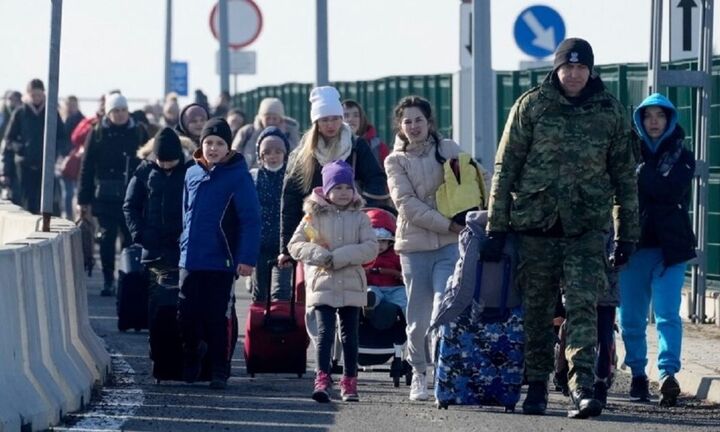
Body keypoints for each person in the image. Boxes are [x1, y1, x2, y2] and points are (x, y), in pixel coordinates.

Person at [484, 38, 639, 418]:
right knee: (537, 311)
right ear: (556, 69)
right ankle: (535, 386)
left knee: (584, 307)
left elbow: (624, 177)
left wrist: (627, 234)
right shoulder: (531, 105)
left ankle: (583, 387)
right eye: (567, 68)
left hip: (586, 228)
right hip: (536, 226)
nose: (574, 75)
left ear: (591, 70)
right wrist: (496, 227)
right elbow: (506, 168)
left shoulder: (610, 112)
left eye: (581, 68)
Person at [384, 95, 466, 401]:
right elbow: (407, 205)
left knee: (444, 308)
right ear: (400, 126)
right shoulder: (395, 161)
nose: (414, 126)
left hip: (449, 245)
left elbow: (477, 180)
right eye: (407, 121)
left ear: (429, 122)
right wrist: (448, 224)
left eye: (419, 120)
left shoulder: (449, 149)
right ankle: (418, 372)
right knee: (417, 318)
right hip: (414, 247)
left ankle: (445, 374)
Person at [618, 93, 696, 408]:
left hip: (670, 249)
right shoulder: (624, 154)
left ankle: (667, 375)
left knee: (667, 314)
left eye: (660, 116)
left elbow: (670, 190)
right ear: (639, 120)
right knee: (632, 318)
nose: (653, 122)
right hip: (632, 247)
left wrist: (640, 176)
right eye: (647, 116)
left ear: (669, 120)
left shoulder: (683, 155)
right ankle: (638, 373)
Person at [178, 118, 261, 390]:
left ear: (228, 147)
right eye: (208, 143)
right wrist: (182, 245)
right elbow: (186, 213)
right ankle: (192, 353)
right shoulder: (191, 173)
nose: (213, 148)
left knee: (217, 317)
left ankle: (219, 368)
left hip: (221, 259)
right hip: (190, 258)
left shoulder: (238, 175)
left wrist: (247, 258)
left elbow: (251, 219)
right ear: (201, 145)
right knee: (186, 314)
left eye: (219, 143)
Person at [288, 160, 378, 403]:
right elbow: (295, 244)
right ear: (326, 190)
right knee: (325, 333)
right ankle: (322, 378)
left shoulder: (360, 218)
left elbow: (371, 247)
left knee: (350, 334)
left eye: (347, 188)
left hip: (350, 282)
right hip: (322, 282)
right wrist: (318, 255)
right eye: (337, 188)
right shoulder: (312, 217)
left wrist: (340, 257)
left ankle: (349, 380)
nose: (343, 193)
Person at [278, 86, 389, 268]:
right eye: (324, 120)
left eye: (335, 119)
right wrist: (286, 248)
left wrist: (362, 212)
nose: (330, 125)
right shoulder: (304, 155)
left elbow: (376, 180)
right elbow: (290, 200)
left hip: (350, 232)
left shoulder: (356, 146)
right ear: (316, 123)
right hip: (316, 235)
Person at [77, 92, 148, 296]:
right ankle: (109, 279)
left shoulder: (138, 131)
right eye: (115, 111)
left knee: (130, 239)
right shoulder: (98, 132)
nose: (120, 114)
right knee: (107, 239)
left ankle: (127, 278)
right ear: (108, 112)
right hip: (105, 197)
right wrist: (84, 199)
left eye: (123, 110)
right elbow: (87, 167)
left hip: (132, 196)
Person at [123, 127, 190, 292]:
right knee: (153, 300)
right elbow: (130, 206)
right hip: (152, 248)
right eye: (162, 160)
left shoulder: (190, 171)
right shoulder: (144, 172)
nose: (166, 165)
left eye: (170, 161)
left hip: (181, 247)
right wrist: (140, 234)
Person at [1, 79, 67, 214]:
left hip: (46, 166)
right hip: (25, 165)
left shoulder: (51, 112)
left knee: (47, 203)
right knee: (27, 203)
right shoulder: (20, 113)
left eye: (39, 94)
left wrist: (55, 152)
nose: (36, 98)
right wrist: (21, 149)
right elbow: (8, 139)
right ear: (28, 95)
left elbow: (62, 137)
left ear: (43, 94)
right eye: (33, 95)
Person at [249, 126, 292, 302]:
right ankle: (259, 326)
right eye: (267, 152)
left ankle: (280, 326)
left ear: (285, 154)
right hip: (260, 243)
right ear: (260, 155)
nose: (273, 156)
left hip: (285, 244)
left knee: (281, 292)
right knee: (260, 291)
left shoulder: (291, 177)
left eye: (277, 152)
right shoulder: (254, 177)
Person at [231, 97, 300, 169]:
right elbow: (234, 154)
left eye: (274, 118)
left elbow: (296, 156)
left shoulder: (290, 133)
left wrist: (282, 136)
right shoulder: (247, 132)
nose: (271, 122)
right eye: (268, 118)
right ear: (261, 118)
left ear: (280, 119)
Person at [362, 208, 406, 312]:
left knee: (404, 297)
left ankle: (409, 322)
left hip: (394, 287)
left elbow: (403, 270)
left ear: (390, 242)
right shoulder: (363, 256)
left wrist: (402, 275)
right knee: (370, 292)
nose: (379, 246)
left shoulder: (396, 254)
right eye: (376, 242)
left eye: (383, 242)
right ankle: (368, 305)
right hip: (372, 286)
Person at [342, 99, 389, 170]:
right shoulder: (332, 144)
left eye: (356, 115)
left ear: (362, 119)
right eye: (346, 115)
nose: (351, 119)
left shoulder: (379, 147)